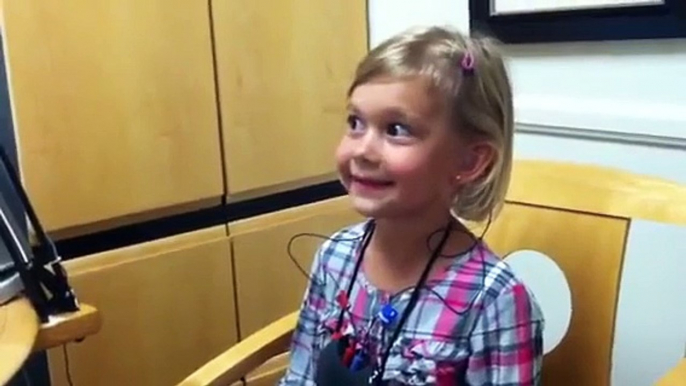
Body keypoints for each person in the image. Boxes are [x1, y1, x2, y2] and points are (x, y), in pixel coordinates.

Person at [278, 25, 544, 385]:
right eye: (355, 123)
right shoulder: (335, 257)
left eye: (396, 129)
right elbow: (300, 378)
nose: (362, 150)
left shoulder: (495, 300)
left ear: (469, 162)